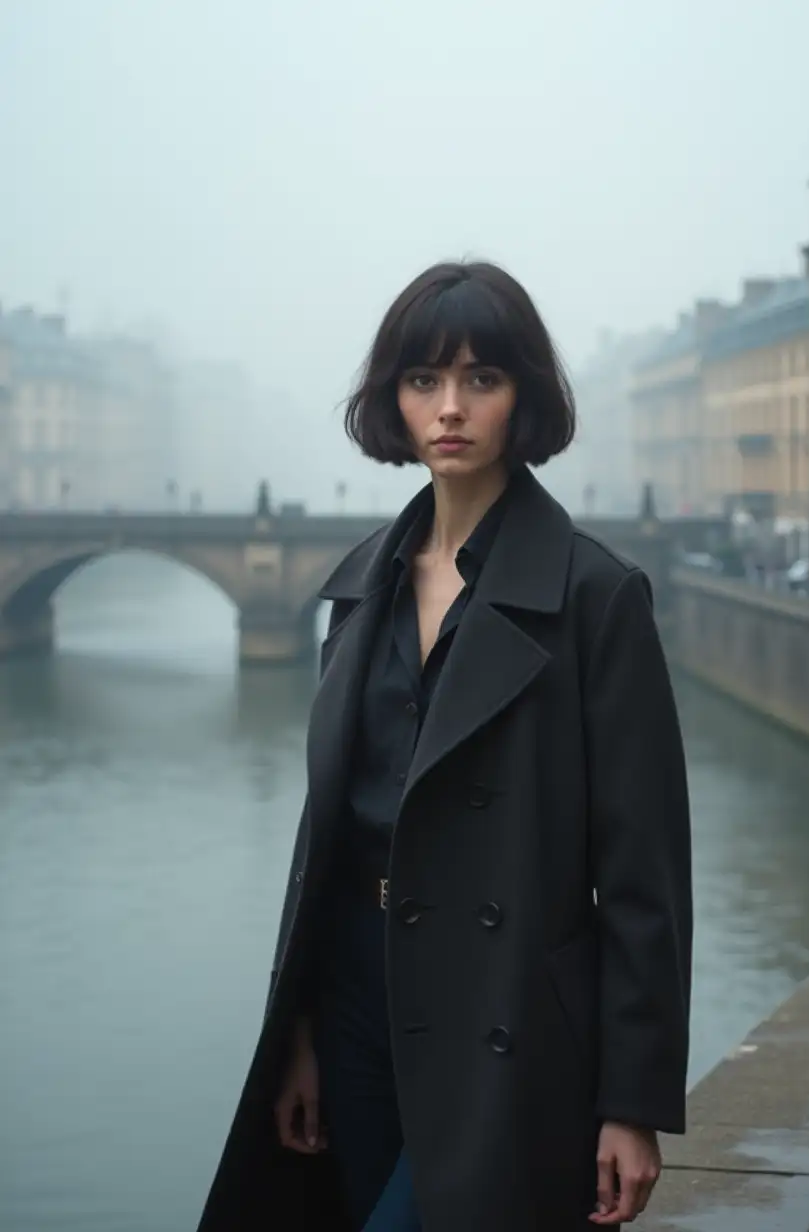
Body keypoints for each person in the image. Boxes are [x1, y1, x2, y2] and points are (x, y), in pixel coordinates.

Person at [197, 261, 692, 1232]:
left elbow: (644, 874)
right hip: (352, 1002)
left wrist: (632, 1100)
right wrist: (296, 1029)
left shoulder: (596, 597)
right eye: (423, 380)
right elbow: (324, 841)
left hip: (504, 1019)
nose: (450, 407)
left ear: (526, 397)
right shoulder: (358, 590)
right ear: (393, 400)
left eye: (482, 378)